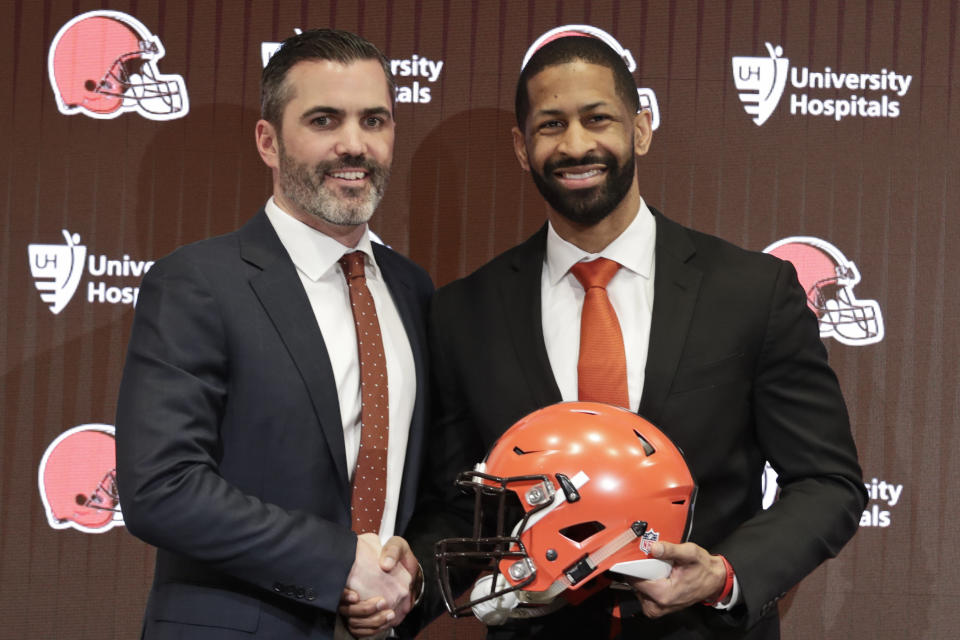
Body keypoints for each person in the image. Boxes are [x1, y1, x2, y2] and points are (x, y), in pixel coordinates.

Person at [398, 35, 866, 639]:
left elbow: (827, 483)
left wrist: (725, 574)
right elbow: (457, 506)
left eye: (598, 119)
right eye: (550, 125)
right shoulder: (465, 311)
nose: (575, 145)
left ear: (640, 128)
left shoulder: (753, 291)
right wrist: (397, 588)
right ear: (521, 147)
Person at [116, 29, 432, 639]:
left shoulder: (412, 290)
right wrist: (339, 561)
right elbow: (161, 487)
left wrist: (405, 575)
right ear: (269, 141)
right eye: (323, 120)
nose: (354, 144)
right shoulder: (199, 282)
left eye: (374, 120)